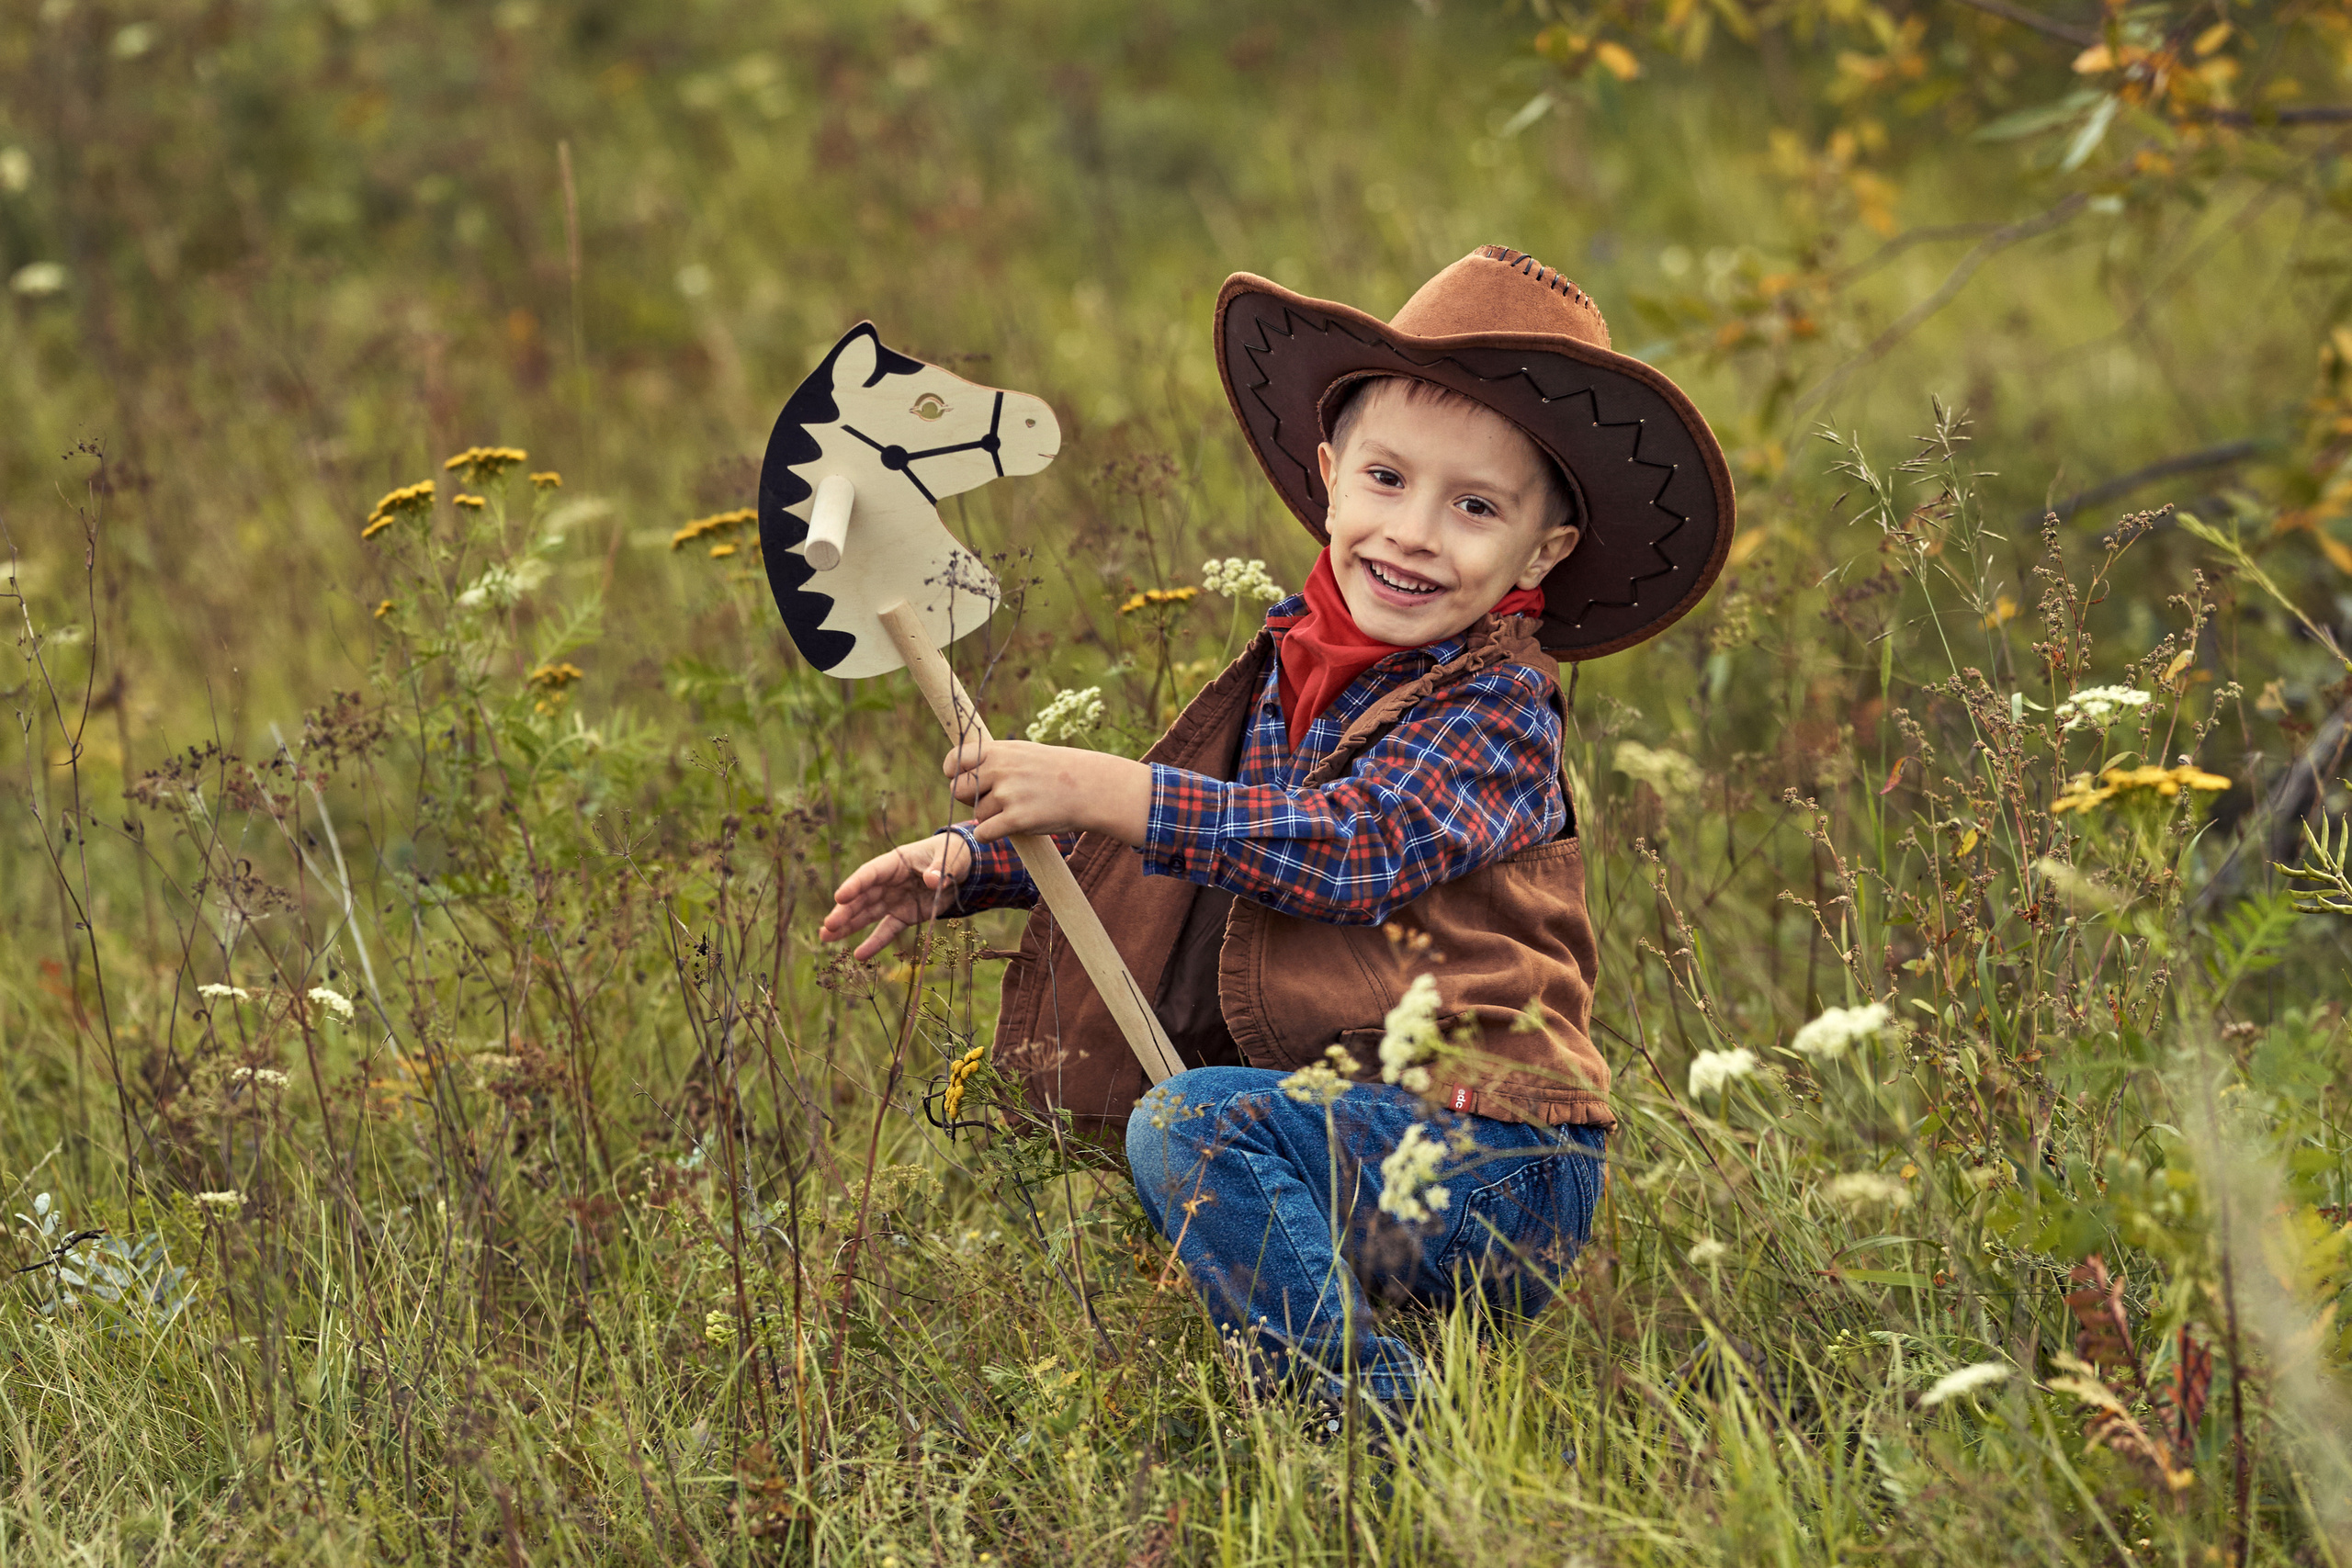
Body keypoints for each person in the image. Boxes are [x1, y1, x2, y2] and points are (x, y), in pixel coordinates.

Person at [819, 245, 1736, 1416]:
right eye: (1388, 481)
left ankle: (1373, 1428)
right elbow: (1197, 835)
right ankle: (1382, 1384)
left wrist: (1106, 787)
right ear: (1328, 477)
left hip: (1497, 1158)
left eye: (1474, 507)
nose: (1412, 533)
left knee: (1191, 1120)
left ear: (1542, 551)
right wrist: (968, 864)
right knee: (1199, 1130)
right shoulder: (1295, 667)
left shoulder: (1497, 705)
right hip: (1357, 1124)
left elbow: (1348, 848)